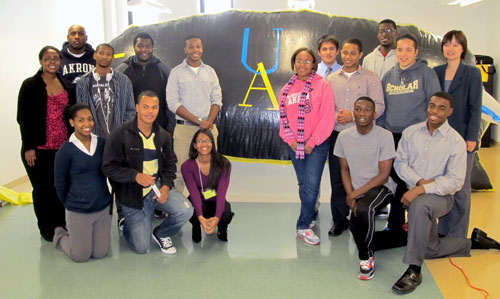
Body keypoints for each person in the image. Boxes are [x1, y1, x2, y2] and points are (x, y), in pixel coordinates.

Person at [391, 92, 500, 294]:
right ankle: (475, 242)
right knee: (430, 249)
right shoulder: (410, 133)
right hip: (417, 190)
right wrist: (418, 183)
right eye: (432, 105)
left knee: (420, 204)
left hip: (442, 198)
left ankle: (414, 269)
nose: (435, 111)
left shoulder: (455, 142)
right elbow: (400, 163)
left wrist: (422, 189)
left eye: (442, 108)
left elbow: (455, 182)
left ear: (450, 112)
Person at [102, 90, 193, 254]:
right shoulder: (119, 134)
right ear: (137, 107)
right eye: (145, 107)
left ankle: (161, 233)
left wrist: (165, 187)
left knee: (186, 210)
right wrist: (135, 176)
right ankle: (128, 223)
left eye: (154, 107)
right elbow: (109, 167)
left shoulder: (163, 136)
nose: (149, 111)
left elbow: (170, 164)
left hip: (156, 187)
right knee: (141, 247)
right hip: (131, 194)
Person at [375, 33, 441, 249]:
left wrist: (430, 131)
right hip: (392, 135)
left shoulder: (426, 73)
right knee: (400, 178)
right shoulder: (388, 75)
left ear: (416, 52)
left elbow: (435, 104)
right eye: (400, 50)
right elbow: (383, 107)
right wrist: (382, 132)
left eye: (408, 50)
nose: (403, 54)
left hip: (416, 136)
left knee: (410, 179)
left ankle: (400, 223)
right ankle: (398, 223)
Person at [17, 46, 76, 242]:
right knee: (43, 190)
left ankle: (61, 223)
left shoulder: (67, 85)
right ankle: (47, 227)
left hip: (62, 148)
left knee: (60, 187)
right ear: (41, 61)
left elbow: (73, 117)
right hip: (38, 149)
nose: (52, 61)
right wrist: (28, 147)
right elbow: (22, 118)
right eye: (48, 58)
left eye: (56, 58)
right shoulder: (30, 86)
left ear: (61, 61)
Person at [326, 38, 384, 236]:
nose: (348, 57)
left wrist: (354, 115)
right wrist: (338, 117)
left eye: (353, 53)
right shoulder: (331, 79)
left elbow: (380, 106)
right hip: (338, 136)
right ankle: (339, 220)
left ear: (360, 55)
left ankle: (361, 218)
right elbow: (326, 108)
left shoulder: (371, 78)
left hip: (364, 137)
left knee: (364, 177)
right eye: (345, 53)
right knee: (338, 179)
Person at [335, 97, 395, 280]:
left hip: (382, 187)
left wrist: (354, 195)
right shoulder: (344, 137)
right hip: (358, 190)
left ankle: (366, 259)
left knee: (364, 209)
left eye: (367, 110)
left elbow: (384, 175)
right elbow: (344, 169)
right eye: (358, 109)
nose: (362, 114)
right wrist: (350, 194)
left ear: (374, 114)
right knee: (355, 227)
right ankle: (379, 244)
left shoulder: (385, 136)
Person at [279, 47, 335, 245]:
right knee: (304, 185)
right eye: (299, 61)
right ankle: (310, 216)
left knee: (310, 187)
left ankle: (302, 226)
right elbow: (283, 120)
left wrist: (312, 142)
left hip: (317, 146)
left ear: (314, 64)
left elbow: (328, 117)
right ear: (294, 63)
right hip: (294, 145)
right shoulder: (287, 89)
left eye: (307, 61)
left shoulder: (322, 86)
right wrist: (292, 142)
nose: (303, 64)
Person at [433, 30, 483, 238]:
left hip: (463, 139)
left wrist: (472, 137)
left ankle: (457, 235)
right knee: (443, 185)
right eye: (447, 44)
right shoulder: (436, 71)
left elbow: (475, 107)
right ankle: (443, 230)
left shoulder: (472, 73)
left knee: (460, 189)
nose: (450, 48)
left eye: (455, 44)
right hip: (440, 139)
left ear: (463, 48)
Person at [53, 104, 112, 262]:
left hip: (102, 207)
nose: (87, 124)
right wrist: (71, 203)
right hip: (78, 210)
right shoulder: (65, 151)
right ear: (72, 122)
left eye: (90, 119)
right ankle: (61, 235)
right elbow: (60, 184)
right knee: (80, 256)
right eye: (81, 120)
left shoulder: (102, 144)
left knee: (100, 253)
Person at [167, 35, 223, 193]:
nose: (195, 50)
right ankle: (177, 210)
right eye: (191, 47)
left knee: (209, 170)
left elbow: (217, 100)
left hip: (208, 129)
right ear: (185, 49)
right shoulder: (176, 73)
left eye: (198, 46)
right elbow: (173, 103)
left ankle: (207, 205)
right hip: (184, 130)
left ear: (202, 48)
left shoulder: (210, 72)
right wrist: (199, 121)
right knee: (178, 172)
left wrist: (208, 123)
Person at [116, 32, 176, 135]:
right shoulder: (121, 71)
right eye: (140, 46)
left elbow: (170, 102)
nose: (144, 50)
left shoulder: (164, 71)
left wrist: (170, 129)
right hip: (130, 130)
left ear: (152, 48)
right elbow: (117, 103)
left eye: (148, 46)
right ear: (134, 47)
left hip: (159, 130)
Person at [181, 128, 234, 243]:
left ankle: (222, 229)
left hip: (215, 200)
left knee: (226, 214)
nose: (204, 144)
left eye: (208, 141)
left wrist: (217, 218)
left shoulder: (223, 164)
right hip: (198, 200)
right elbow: (194, 194)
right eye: (200, 141)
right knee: (191, 209)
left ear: (212, 144)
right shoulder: (187, 166)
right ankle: (196, 227)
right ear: (194, 145)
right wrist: (200, 217)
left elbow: (221, 194)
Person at [76, 43, 135, 138]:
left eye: (108, 54)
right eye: (101, 53)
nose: (104, 57)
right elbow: (80, 112)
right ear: (94, 55)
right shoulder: (83, 82)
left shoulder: (124, 80)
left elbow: (130, 110)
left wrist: (124, 131)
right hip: (93, 137)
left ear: (113, 58)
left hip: (118, 137)